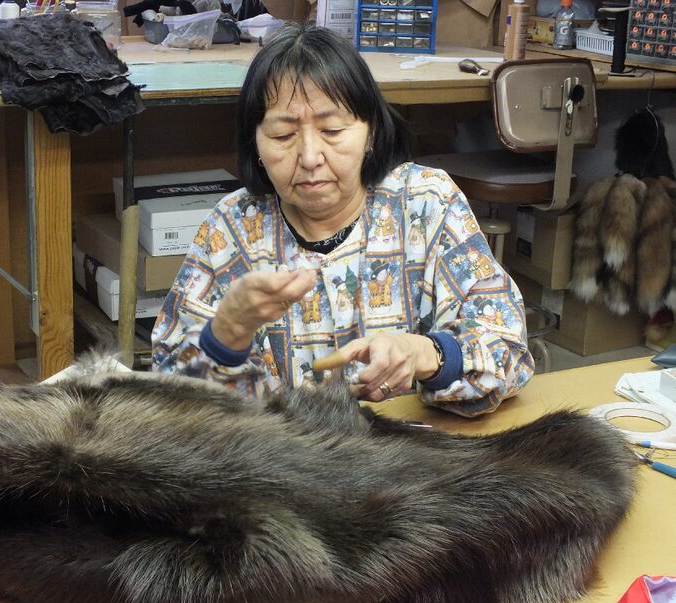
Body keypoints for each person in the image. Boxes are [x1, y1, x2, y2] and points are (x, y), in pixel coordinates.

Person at [152, 23, 534, 416]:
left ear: (370, 132)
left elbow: (508, 350)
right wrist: (225, 337)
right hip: (283, 462)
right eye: (283, 136)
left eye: (332, 130)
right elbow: (169, 397)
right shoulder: (231, 229)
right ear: (257, 146)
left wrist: (425, 353)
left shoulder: (424, 203)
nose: (310, 157)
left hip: (413, 457)